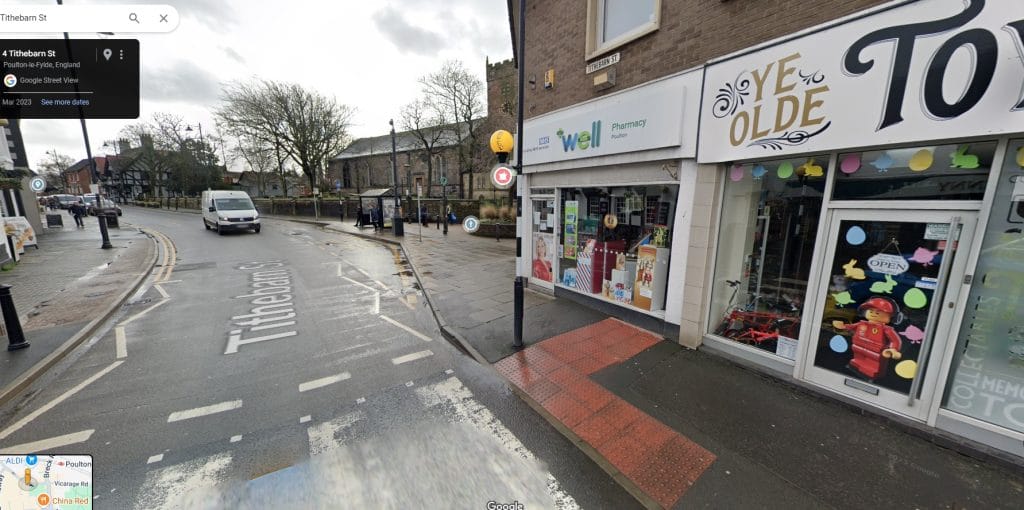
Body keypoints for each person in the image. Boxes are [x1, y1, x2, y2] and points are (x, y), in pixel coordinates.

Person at [832, 296, 903, 381]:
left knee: (874, 362)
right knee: (858, 358)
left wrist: (893, 349)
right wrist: (843, 326)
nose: (873, 313)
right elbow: (851, 327)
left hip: (875, 351)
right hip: (858, 346)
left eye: (877, 313)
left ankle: (872, 370)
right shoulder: (861, 324)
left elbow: (895, 340)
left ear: (893, 318)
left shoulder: (886, 329)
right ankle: (857, 363)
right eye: (871, 311)